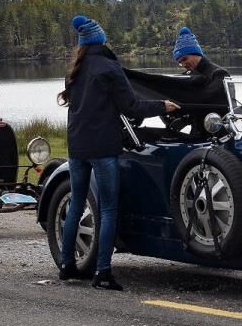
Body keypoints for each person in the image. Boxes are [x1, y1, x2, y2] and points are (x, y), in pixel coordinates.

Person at [57, 15, 179, 290]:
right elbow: (132, 107)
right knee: (109, 207)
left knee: (77, 202)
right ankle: (102, 272)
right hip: (103, 148)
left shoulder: (74, 72)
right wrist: (163, 106)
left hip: (77, 147)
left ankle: (66, 265)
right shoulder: (109, 67)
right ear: (100, 40)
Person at [172, 26, 230, 105]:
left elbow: (207, 98)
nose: (183, 64)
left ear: (196, 54)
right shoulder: (183, 76)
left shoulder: (219, 74)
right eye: (180, 62)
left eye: (185, 59)